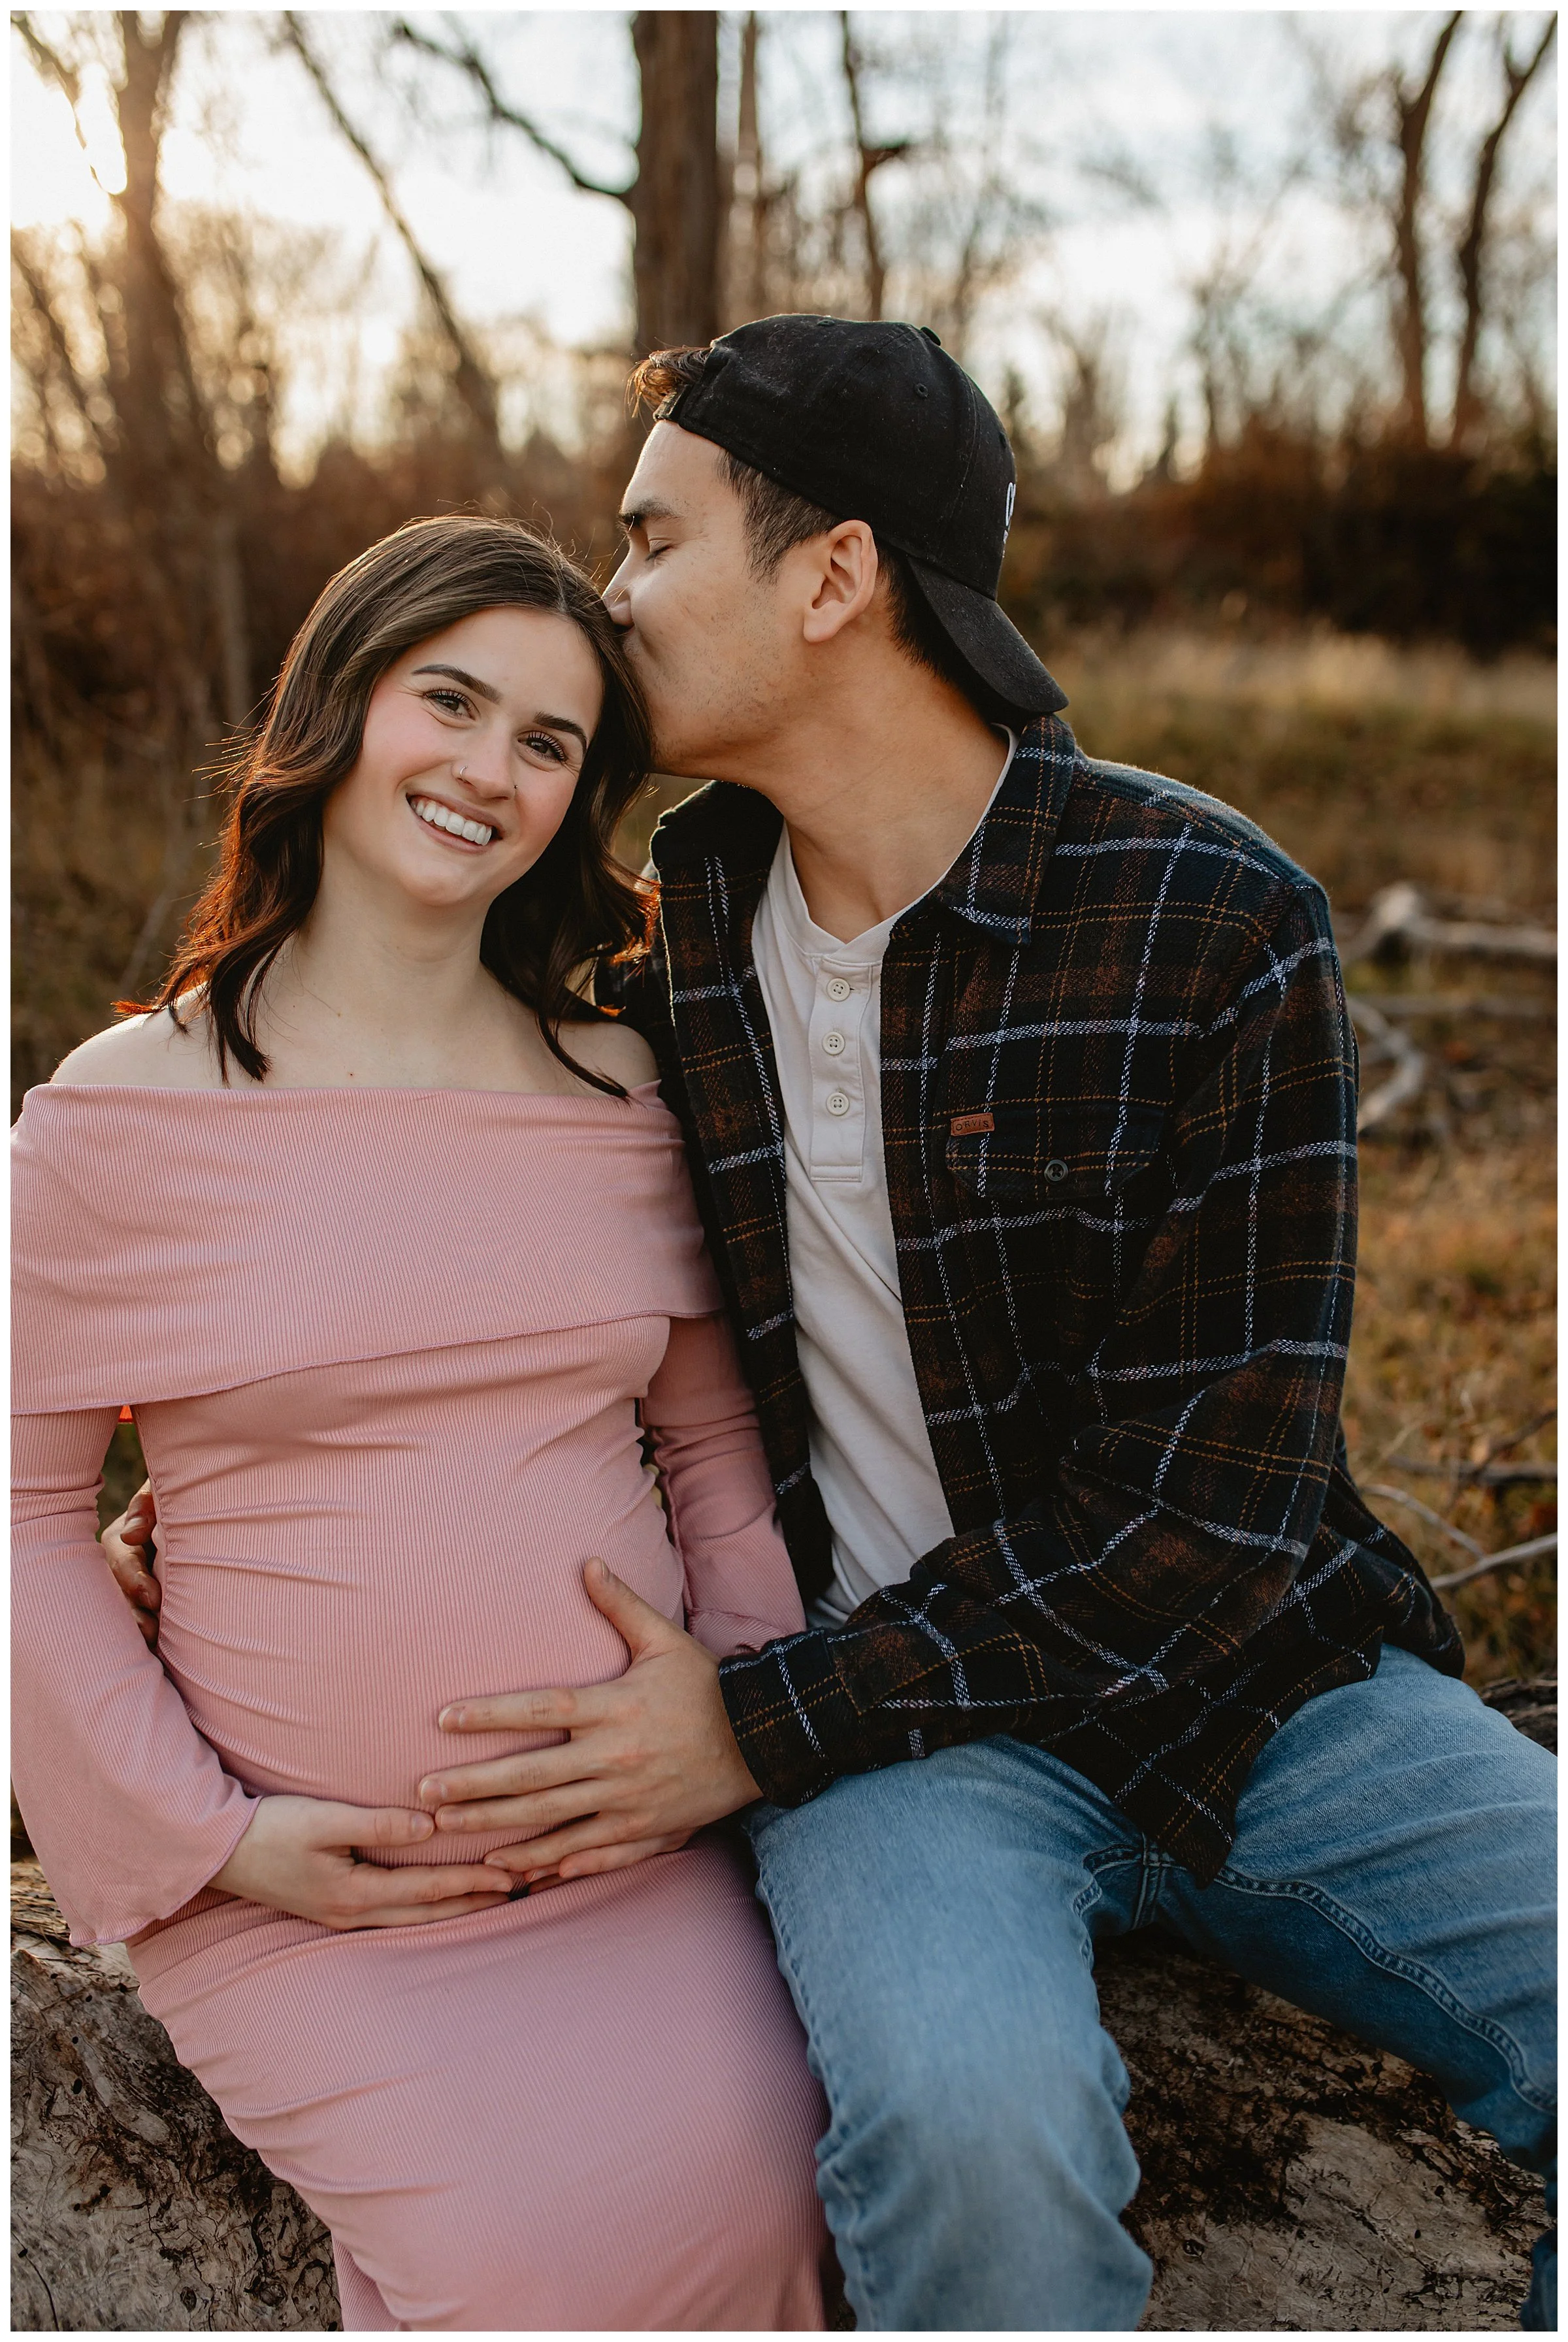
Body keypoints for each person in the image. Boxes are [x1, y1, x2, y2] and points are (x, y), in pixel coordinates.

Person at [106, 322, 1556, 2331]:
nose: (607, 598)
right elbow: (439, 1198)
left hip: (1267, 1689)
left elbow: (1215, 1521)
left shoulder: (1212, 921)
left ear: (832, 576)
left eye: (650, 539)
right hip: (908, 1759)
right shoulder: (663, 951)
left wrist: (748, 1722)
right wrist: (239, 1480)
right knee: (971, 2135)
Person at [14, 515, 828, 2331]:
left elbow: (708, 1452)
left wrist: (733, 1718)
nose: (487, 770)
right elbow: (18, 1508)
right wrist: (213, 1841)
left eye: (548, 742)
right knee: (526, 2274)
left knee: (777, 2205)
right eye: (447, 700)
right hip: (312, 1901)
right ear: (338, 707)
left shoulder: (614, 1083)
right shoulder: (126, 1116)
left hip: (630, 1861)